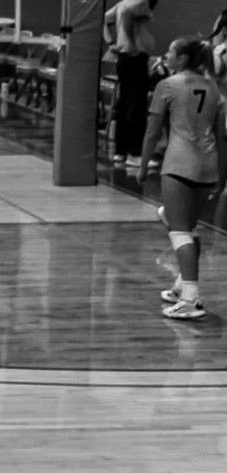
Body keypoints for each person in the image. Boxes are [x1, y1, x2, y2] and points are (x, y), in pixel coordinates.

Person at [137, 38, 226, 319]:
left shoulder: (168, 86)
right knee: (190, 228)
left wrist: (141, 165)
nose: (166, 55)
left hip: (179, 164)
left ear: (183, 59)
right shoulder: (214, 88)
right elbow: (221, 138)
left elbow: (152, 132)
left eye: (170, 52)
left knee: (179, 230)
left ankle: (190, 298)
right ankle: (181, 285)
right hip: (207, 165)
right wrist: (222, 175)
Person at [104, 0, 158, 166]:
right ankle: (135, 153)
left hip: (125, 57)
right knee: (138, 106)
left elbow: (103, 19)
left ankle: (120, 151)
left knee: (125, 103)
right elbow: (127, 16)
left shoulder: (124, 2)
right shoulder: (139, 2)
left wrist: (110, 42)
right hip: (133, 57)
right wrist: (133, 45)